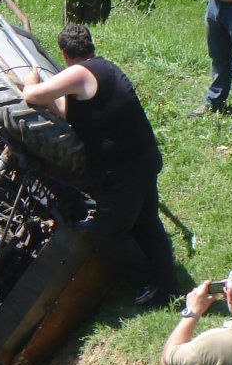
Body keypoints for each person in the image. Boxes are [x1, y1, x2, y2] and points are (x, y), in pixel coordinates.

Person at [22, 23, 178, 306]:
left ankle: (146, 284)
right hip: (142, 158)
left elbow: (31, 96)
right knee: (146, 223)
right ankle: (168, 285)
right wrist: (50, 100)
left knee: (107, 233)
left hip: (123, 169)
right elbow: (67, 112)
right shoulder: (105, 69)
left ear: (64, 53)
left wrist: (31, 81)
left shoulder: (80, 72)